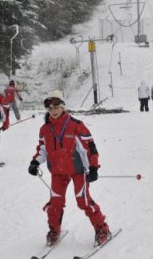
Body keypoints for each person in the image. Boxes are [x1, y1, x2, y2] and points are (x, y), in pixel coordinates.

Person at [27, 90, 111, 247]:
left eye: (56, 107)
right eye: (50, 108)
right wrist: (35, 162)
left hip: (78, 171)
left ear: (63, 107)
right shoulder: (45, 129)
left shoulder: (76, 126)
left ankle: (102, 229)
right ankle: (54, 230)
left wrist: (93, 168)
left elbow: (90, 149)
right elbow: (42, 149)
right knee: (55, 203)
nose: (53, 111)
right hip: (58, 172)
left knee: (83, 201)